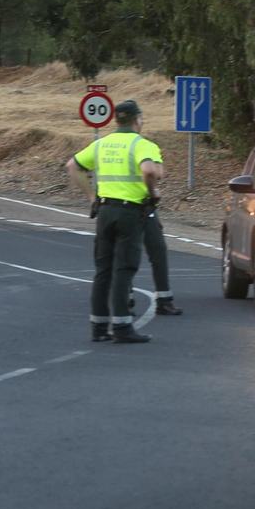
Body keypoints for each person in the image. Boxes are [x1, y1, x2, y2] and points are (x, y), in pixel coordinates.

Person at [66, 100, 164, 343]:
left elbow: (73, 167)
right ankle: (122, 326)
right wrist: (152, 193)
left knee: (103, 270)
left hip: (105, 211)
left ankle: (98, 326)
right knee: (123, 269)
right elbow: (150, 171)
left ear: (116, 119)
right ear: (137, 119)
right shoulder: (142, 145)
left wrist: (92, 196)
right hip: (130, 212)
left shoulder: (101, 144)